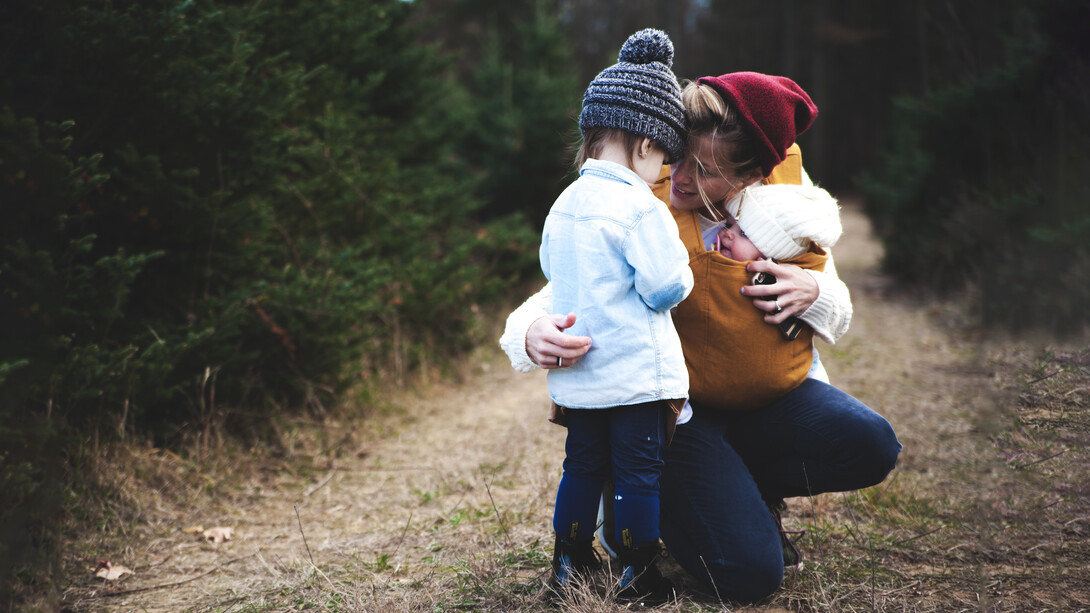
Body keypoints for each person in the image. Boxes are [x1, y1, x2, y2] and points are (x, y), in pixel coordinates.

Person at [500, 71, 902, 603]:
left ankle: (743, 489)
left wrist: (815, 292)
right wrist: (528, 332)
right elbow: (571, 283)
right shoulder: (642, 196)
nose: (681, 177)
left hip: (769, 401)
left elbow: (838, 305)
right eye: (678, 157)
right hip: (677, 415)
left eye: (705, 170)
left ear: (753, 175)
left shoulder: (784, 206)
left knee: (871, 444)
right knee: (749, 577)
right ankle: (669, 495)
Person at [539, 28, 691, 603]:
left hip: (580, 377)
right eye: (666, 158)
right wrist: (684, 270)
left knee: (580, 466)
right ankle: (637, 572)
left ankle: (568, 562)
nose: (663, 172)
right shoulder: (638, 206)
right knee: (636, 475)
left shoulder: (565, 202)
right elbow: (664, 287)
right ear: (646, 144)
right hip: (634, 376)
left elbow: (552, 268)